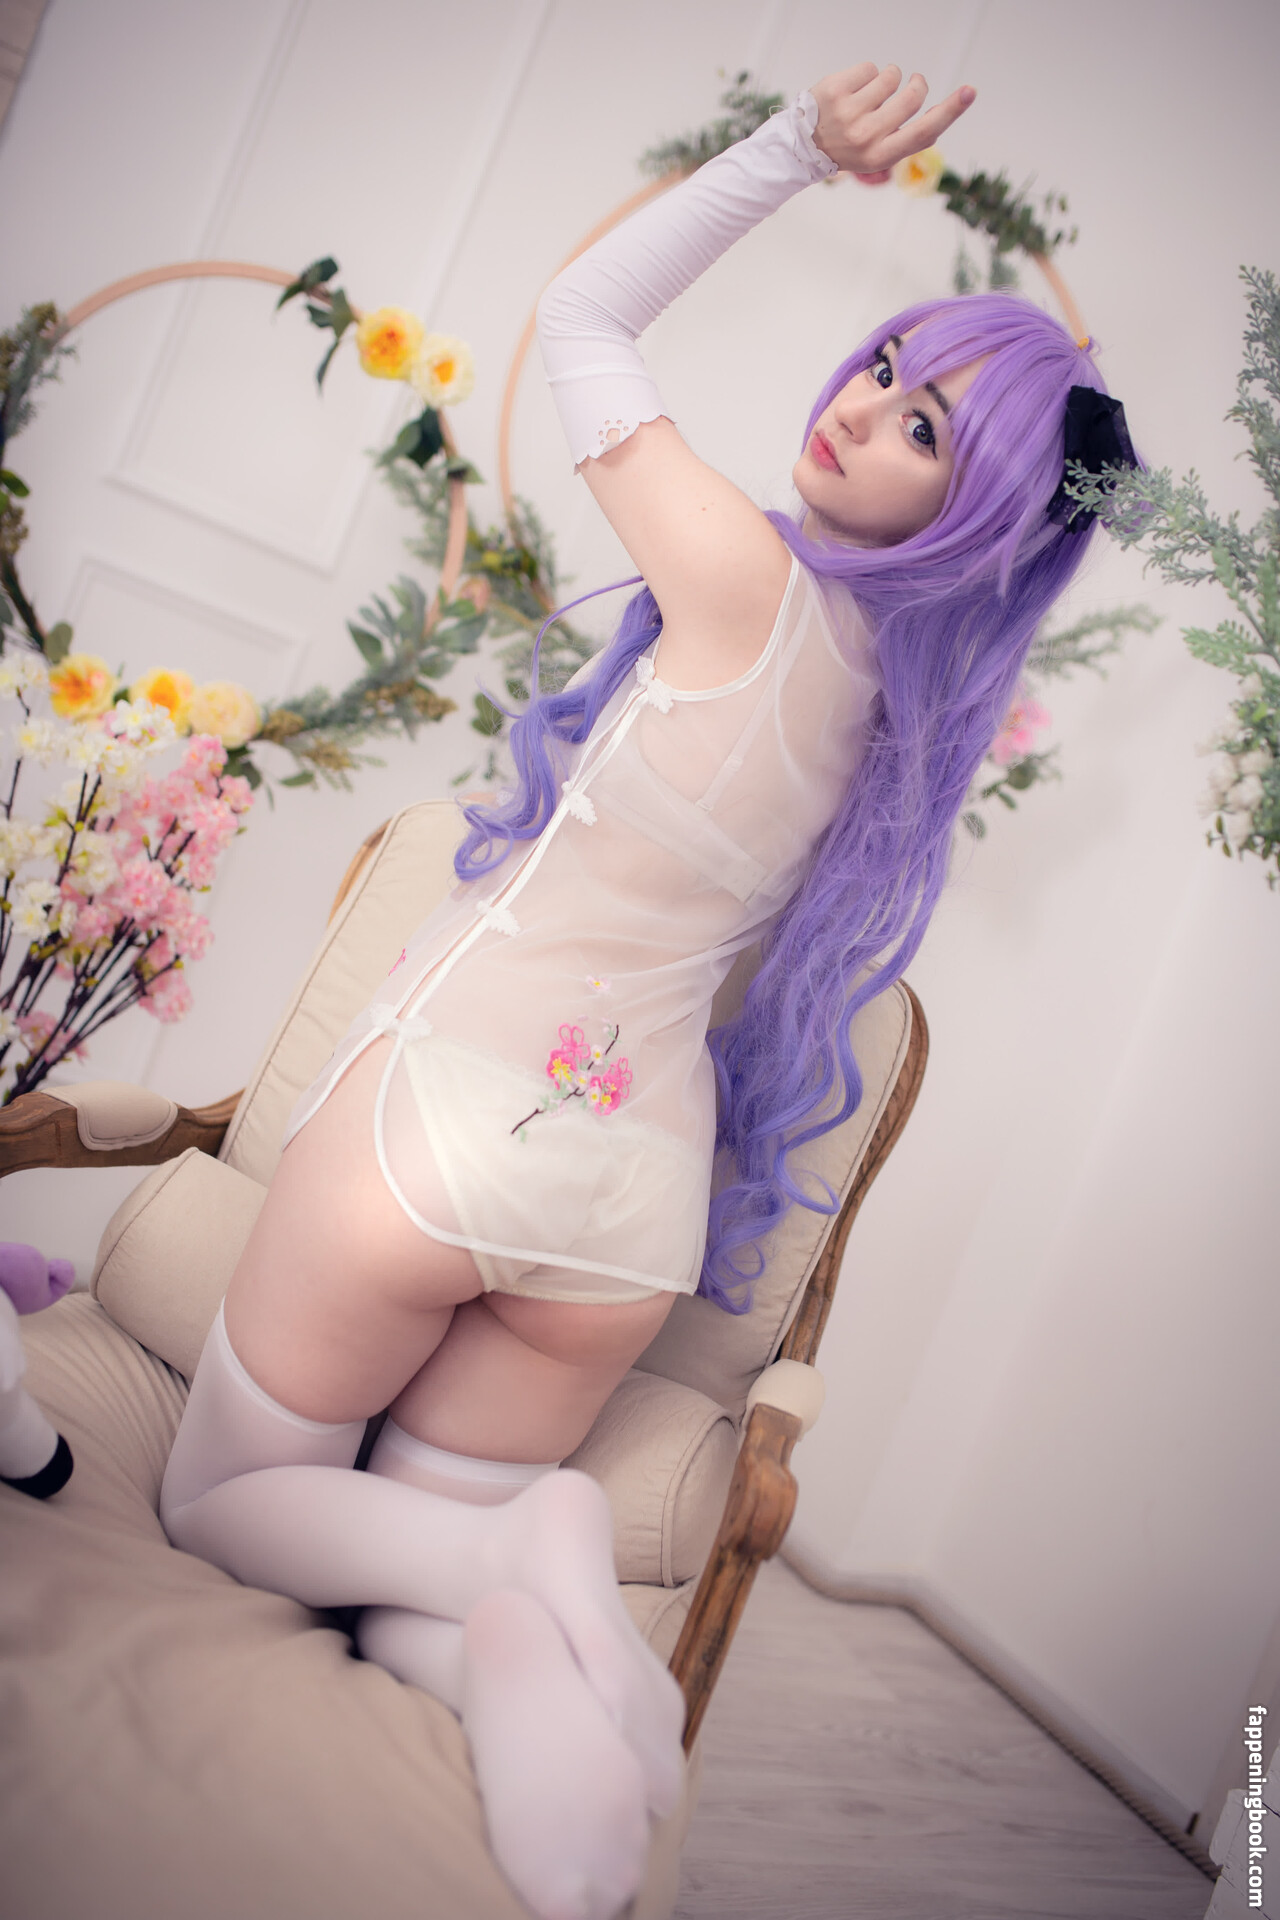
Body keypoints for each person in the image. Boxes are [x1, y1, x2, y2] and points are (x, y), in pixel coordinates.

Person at [159, 60, 1134, 1920]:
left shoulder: (741, 582)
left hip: (447, 1121)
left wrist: (793, 153)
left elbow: (581, 315)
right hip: (626, 1212)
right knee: (393, 1596)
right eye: (884, 364)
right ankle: (528, 1662)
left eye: (924, 425)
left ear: (981, 504)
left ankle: (513, 1556)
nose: (861, 405)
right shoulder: (906, 729)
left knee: (216, 1507)